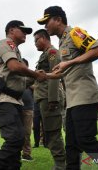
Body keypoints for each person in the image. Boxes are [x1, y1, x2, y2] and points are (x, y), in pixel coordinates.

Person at [37, 6, 98, 170]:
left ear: (58, 19)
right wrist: (46, 75)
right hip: (72, 101)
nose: (45, 26)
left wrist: (69, 62)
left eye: (47, 21)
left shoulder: (75, 32)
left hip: (84, 96)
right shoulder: (62, 41)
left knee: (85, 139)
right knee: (71, 145)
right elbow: (65, 72)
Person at [0, 20, 46, 170]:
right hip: (3, 99)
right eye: (23, 30)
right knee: (15, 138)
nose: (26, 34)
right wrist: (34, 74)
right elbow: (14, 67)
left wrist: (38, 75)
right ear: (11, 30)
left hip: (14, 101)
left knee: (18, 140)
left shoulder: (16, 52)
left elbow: (20, 81)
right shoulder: (5, 43)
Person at [33, 29, 66, 169]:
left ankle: (61, 165)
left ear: (43, 38)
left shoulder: (52, 53)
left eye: (36, 40)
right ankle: (60, 163)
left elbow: (55, 75)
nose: (35, 44)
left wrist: (53, 99)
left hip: (49, 98)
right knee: (50, 132)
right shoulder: (44, 55)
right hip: (44, 98)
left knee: (53, 133)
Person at [20, 58, 34, 161]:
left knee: (27, 132)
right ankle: (15, 152)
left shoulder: (31, 77)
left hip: (28, 108)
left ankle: (26, 154)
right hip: (15, 108)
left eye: (24, 64)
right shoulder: (13, 77)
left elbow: (37, 88)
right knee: (15, 132)